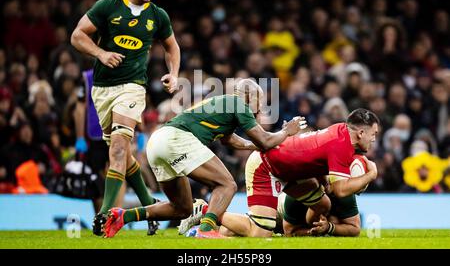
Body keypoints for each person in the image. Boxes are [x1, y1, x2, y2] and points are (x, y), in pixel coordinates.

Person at [103, 78, 307, 238]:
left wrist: (268, 141)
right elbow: (263, 140)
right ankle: (207, 229)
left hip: (157, 143)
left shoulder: (224, 104)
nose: (261, 107)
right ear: (247, 95)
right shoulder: (238, 103)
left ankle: (123, 215)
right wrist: (286, 132)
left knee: (182, 208)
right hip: (177, 139)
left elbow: (233, 141)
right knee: (227, 185)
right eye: (259, 100)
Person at [71, 0, 180, 236]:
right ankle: (149, 205)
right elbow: (77, 36)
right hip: (103, 89)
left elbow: (172, 46)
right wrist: (101, 54)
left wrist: (174, 73)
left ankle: (105, 215)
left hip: (132, 87)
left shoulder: (157, 15)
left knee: (118, 149)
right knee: (124, 154)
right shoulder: (107, 6)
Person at [180, 108, 379, 237]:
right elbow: (341, 190)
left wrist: (322, 178)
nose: (373, 139)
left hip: (290, 170)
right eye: (373, 134)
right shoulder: (342, 144)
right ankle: (206, 211)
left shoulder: (340, 131)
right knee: (260, 233)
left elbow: (315, 154)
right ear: (361, 133)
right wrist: (371, 174)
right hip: (266, 166)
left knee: (323, 203)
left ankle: (227, 229)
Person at [73, 69, 159, 235]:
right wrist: (79, 137)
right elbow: (79, 108)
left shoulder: (128, 68)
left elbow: (134, 100)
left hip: (117, 129)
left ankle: (109, 216)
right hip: (95, 135)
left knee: (117, 166)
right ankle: (150, 207)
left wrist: (139, 130)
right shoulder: (87, 77)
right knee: (110, 172)